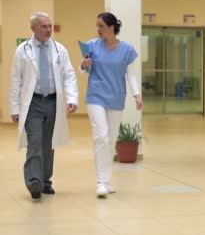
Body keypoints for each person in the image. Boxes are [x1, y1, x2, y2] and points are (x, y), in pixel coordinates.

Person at [9, 12, 79, 200]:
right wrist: (15, 108)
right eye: (44, 26)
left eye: (49, 26)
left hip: (53, 102)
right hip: (33, 103)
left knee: (49, 143)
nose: (48, 30)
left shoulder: (59, 49)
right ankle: (34, 182)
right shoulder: (23, 50)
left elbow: (69, 75)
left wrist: (72, 98)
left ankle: (46, 181)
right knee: (35, 143)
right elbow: (16, 80)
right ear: (33, 28)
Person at [80, 12, 143, 198]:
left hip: (116, 97)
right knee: (101, 136)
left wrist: (137, 95)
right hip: (96, 96)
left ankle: (106, 181)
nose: (98, 29)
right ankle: (101, 182)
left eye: (101, 26)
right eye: (97, 26)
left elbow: (130, 74)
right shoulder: (91, 45)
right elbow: (83, 69)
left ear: (112, 27)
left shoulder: (126, 49)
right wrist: (84, 65)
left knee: (111, 139)